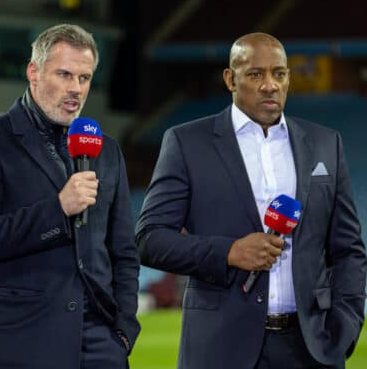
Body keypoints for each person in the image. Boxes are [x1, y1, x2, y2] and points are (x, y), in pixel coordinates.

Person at [136, 33, 366, 369]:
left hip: (310, 351)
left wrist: (345, 326)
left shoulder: (325, 144)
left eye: (280, 74)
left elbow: (348, 249)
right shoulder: (188, 142)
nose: (270, 85)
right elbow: (150, 239)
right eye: (256, 74)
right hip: (221, 349)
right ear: (231, 79)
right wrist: (229, 252)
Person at [0, 24, 140, 369]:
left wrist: (123, 330)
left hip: (101, 346)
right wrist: (57, 209)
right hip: (20, 344)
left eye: (84, 78)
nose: (75, 89)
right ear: (33, 72)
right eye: (64, 74)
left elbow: (124, 251)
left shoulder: (107, 151)